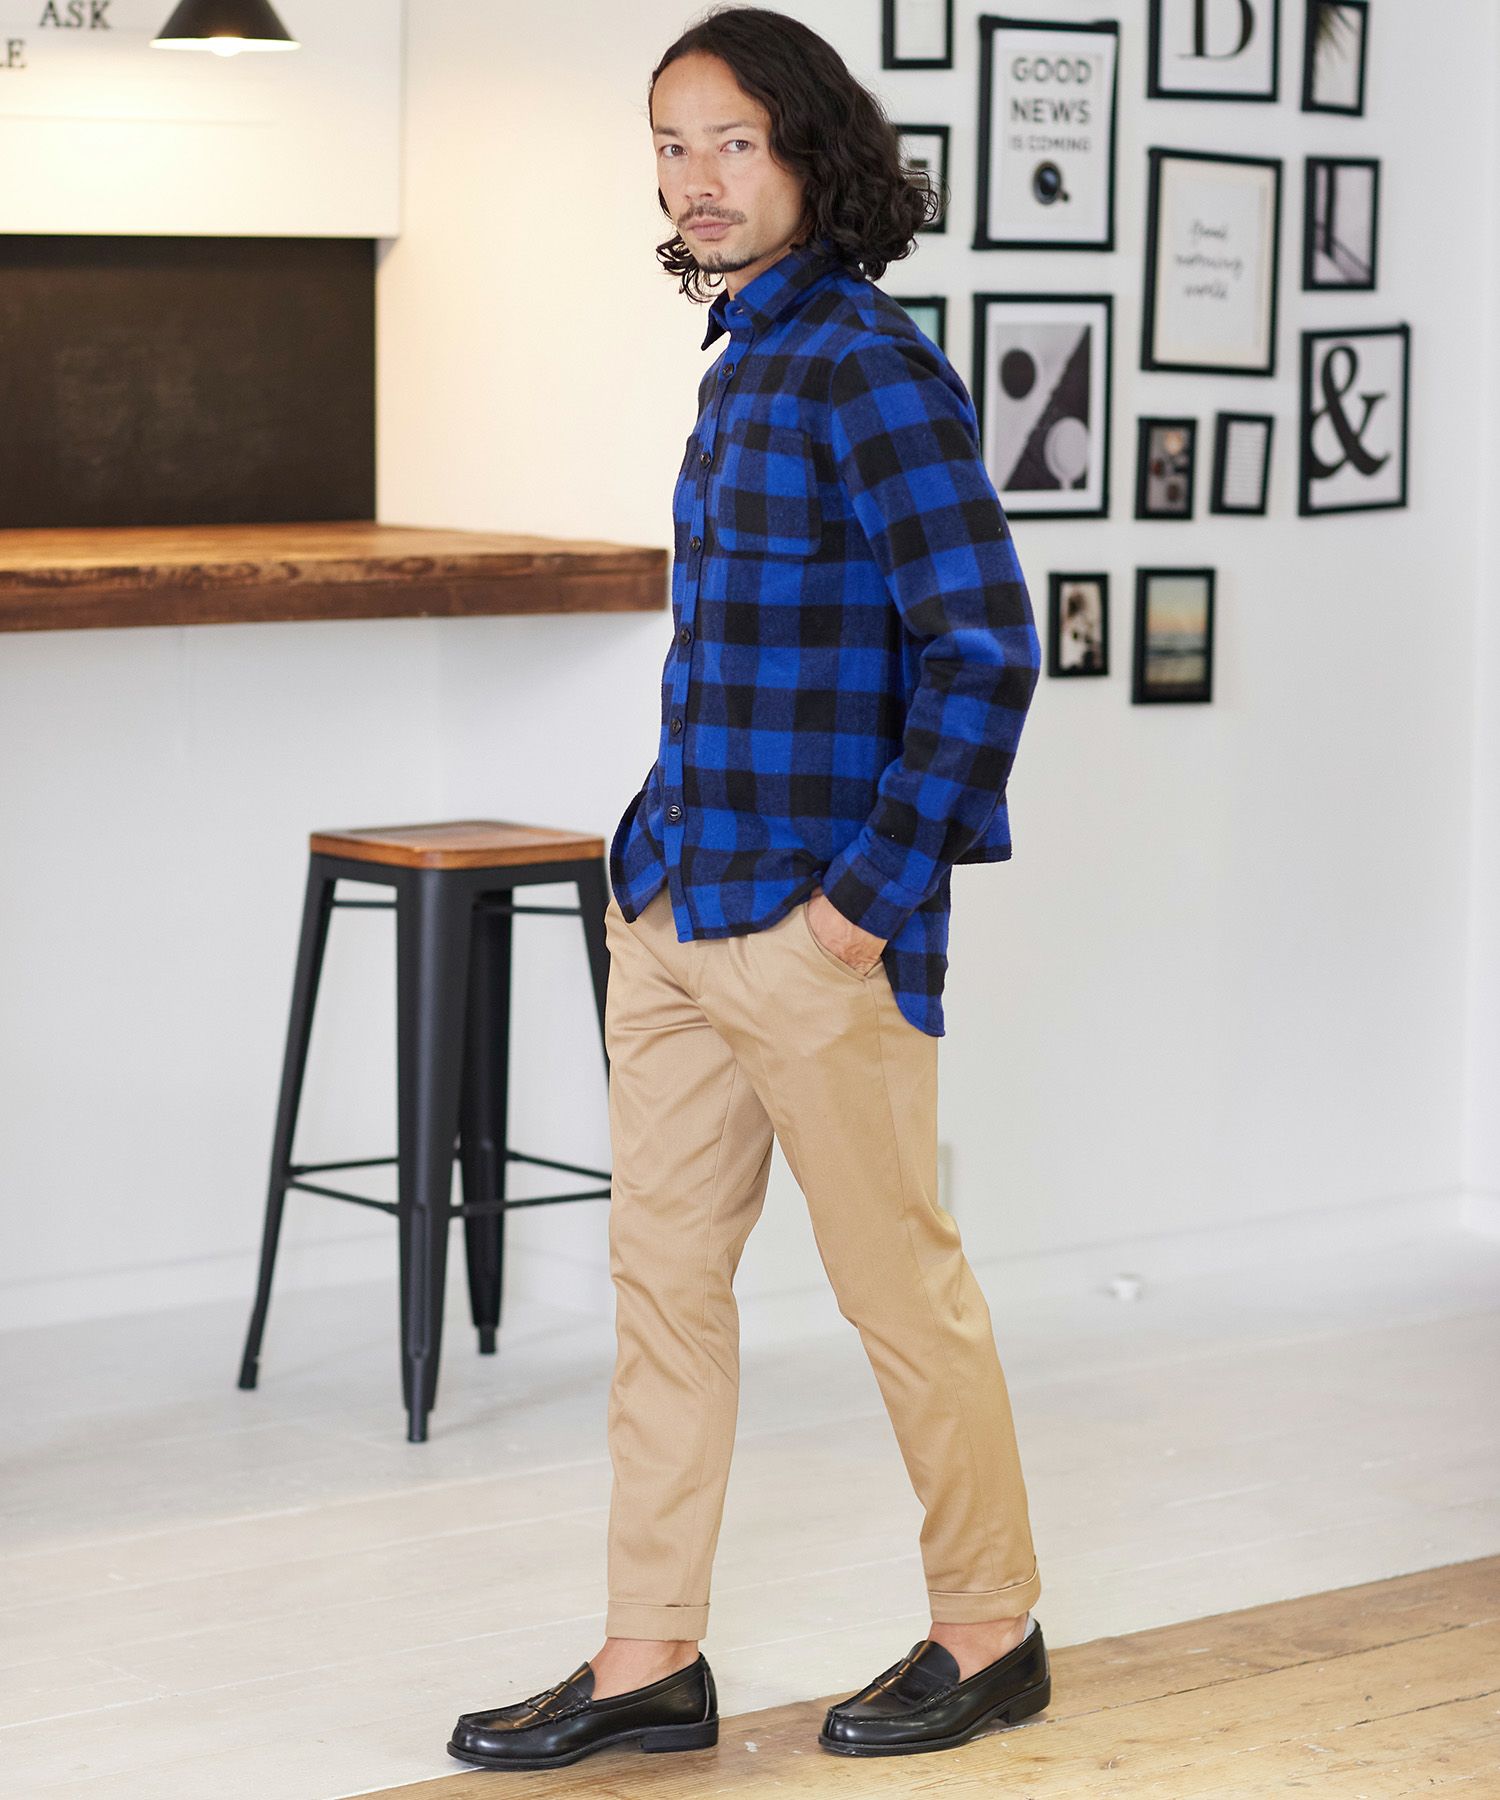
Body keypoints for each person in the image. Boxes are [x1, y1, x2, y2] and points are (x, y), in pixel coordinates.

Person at [447, 4, 1048, 1772]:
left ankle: (992, 1631)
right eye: (671, 144)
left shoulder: (867, 364)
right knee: (661, 1296)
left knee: (898, 1294)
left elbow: (985, 650)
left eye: (732, 142)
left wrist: (864, 902)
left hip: (813, 931)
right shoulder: (741, 357)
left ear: (807, 153)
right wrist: (648, 871)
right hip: (674, 908)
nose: (697, 178)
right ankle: (650, 1659)